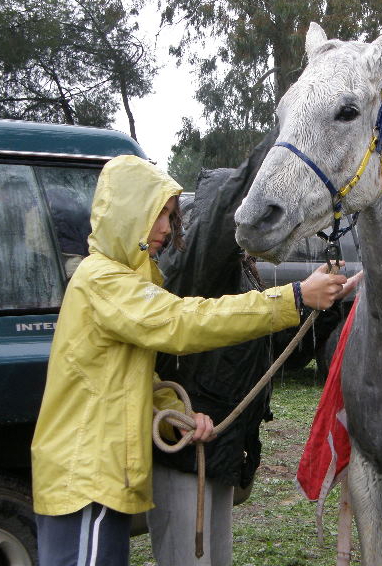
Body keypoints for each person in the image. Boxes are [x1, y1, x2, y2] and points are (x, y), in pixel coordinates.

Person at [30, 154, 349, 566]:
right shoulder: (102, 280)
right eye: (158, 214)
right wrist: (293, 298)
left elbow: (126, 378)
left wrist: (178, 411)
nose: (166, 227)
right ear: (128, 212)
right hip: (85, 475)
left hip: (98, 474)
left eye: (169, 215)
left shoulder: (122, 280)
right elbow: (182, 322)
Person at [147, 129, 361, 566]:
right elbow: (227, 209)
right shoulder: (197, 263)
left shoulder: (241, 270)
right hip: (190, 442)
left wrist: (318, 304)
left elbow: (255, 339)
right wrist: (296, 128)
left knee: (214, 557)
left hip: (219, 441)